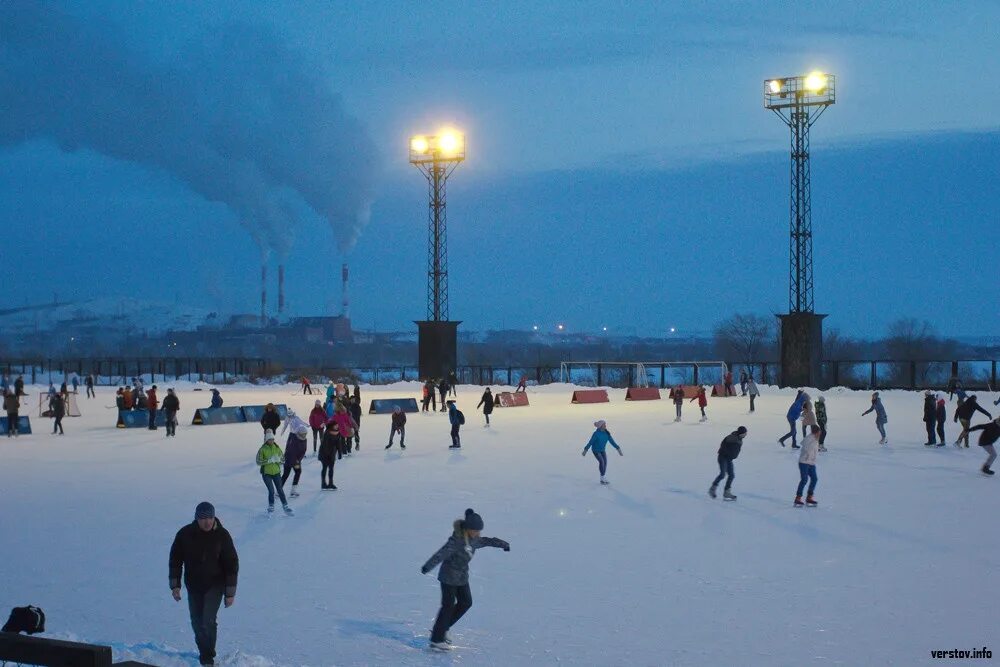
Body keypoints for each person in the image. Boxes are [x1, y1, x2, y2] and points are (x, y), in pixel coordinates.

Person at [420, 508, 510, 651]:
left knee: (466, 602)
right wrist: (427, 566)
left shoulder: (475, 540)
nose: (477, 533)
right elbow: (441, 554)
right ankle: (436, 640)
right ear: (468, 529)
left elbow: (488, 541)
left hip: (462, 576)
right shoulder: (456, 540)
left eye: (478, 530)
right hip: (448, 576)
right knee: (448, 605)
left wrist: (503, 544)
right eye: (475, 530)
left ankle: (443, 628)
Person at [169, 501, 239, 667]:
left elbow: (232, 564)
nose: (207, 522)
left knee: (207, 620)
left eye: (210, 517)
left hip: (215, 584)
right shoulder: (185, 534)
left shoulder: (222, 535)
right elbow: (175, 560)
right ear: (196, 518)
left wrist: (230, 593)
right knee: (196, 621)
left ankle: (208, 657)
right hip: (193, 585)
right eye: (203, 518)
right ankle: (205, 651)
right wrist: (175, 585)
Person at [256, 431, 292, 514]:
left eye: (272, 439)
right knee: (271, 491)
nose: (271, 441)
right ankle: (271, 506)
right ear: (266, 440)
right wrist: (268, 460)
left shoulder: (277, 448)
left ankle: (285, 506)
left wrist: (279, 460)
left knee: (280, 490)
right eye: (269, 439)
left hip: (276, 473)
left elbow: (283, 459)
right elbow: (258, 461)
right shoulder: (262, 449)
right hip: (266, 474)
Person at [709, 426, 746, 500]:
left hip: (729, 459)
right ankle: (712, 489)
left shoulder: (739, 440)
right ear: (741, 433)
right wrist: (726, 453)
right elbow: (723, 445)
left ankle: (727, 492)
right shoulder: (732, 437)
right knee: (722, 474)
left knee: (731, 475)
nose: (746, 434)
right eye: (745, 433)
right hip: (723, 457)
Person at [581, 419, 623, 485]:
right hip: (595, 450)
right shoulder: (596, 434)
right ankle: (602, 478)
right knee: (602, 461)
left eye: (605, 424)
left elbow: (612, 441)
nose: (605, 426)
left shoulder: (607, 433)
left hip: (602, 450)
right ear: (600, 426)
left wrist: (618, 448)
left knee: (605, 463)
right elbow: (591, 442)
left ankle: (602, 478)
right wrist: (585, 450)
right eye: (604, 425)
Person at [279, 410, 308, 498]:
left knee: (293, 473)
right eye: (302, 434)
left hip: (293, 460)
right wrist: (296, 462)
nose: (304, 436)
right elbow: (291, 452)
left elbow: (303, 452)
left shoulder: (301, 439)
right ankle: (282, 491)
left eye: (305, 434)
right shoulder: (294, 439)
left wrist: (297, 460)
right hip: (290, 460)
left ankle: (290, 491)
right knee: (288, 474)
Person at [794, 425, 821, 507]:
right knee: (804, 479)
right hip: (804, 462)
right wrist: (809, 457)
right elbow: (806, 448)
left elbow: (814, 451)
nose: (820, 434)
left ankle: (809, 497)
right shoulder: (809, 439)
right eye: (819, 433)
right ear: (815, 432)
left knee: (814, 479)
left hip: (811, 463)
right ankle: (798, 498)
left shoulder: (816, 440)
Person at [318, 422, 339, 489]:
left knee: (331, 469)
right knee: (324, 468)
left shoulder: (337, 433)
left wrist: (340, 452)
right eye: (336, 425)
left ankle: (330, 483)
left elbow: (338, 443)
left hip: (332, 453)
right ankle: (323, 484)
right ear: (332, 426)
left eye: (337, 425)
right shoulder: (327, 433)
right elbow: (325, 445)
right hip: (324, 454)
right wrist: (327, 454)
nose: (337, 426)